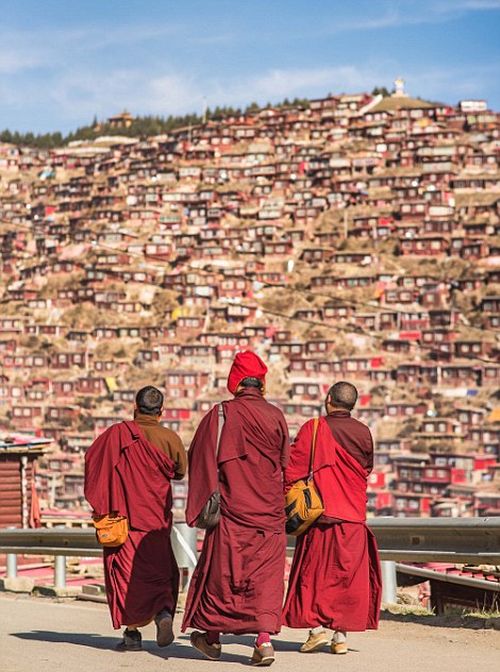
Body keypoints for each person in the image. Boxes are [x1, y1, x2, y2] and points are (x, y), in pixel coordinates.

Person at [182, 351, 289, 667]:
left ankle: (212, 639)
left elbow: (199, 457)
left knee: (224, 576)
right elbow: (285, 463)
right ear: (262, 383)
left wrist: (205, 498)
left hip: (233, 510)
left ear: (235, 380)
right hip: (269, 514)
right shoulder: (276, 416)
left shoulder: (221, 414)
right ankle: (264, 642)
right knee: (265, 579)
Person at [85, 385, 186, 651]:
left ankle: (132, 635)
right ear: (161, 412)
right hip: (157, 520)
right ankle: (163, 614)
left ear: (135, 408)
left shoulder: (117, 435)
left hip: (126, 520)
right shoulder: (170, 438)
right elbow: (180, 472)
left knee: (128, 576)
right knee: (161, 571)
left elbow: (93, 461)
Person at [282, 381, 381, 654]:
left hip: (321, 516)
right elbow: (366, 468)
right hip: (353, 518)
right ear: (353, 405)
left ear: (328, 400)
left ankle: (316, 632)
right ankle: (340, 638)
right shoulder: (364, 432)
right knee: (345, 579)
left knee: (313, 577)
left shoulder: (314, 429)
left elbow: (293, 470)